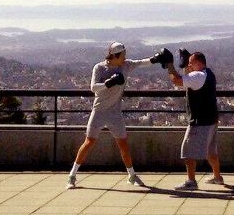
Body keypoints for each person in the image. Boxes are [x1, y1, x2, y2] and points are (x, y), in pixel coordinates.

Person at [66, 42, 172, 189]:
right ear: (115, 56)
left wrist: (157, 58)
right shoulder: (99, 67)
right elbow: (93, 87)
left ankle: (132, 176)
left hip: (114, 113)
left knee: (123, 144)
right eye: (122, 55)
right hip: (99, 111)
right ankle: (72, 176)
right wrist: (109, 83)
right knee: (89, 142)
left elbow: (141, 63)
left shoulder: (125, 65)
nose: (125, 57)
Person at [166, 50, 223, 190]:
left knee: (188, 151)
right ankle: (217, 177)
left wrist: (169, 65)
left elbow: (177, 80)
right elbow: (189, 79)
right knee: (211, 151)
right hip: (212, 118)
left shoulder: (197, 76)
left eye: (191, 63)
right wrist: (186, 64)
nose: (189, 66)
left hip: (200, 121)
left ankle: (191, 181)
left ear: (198, 63)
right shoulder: (208, 74)